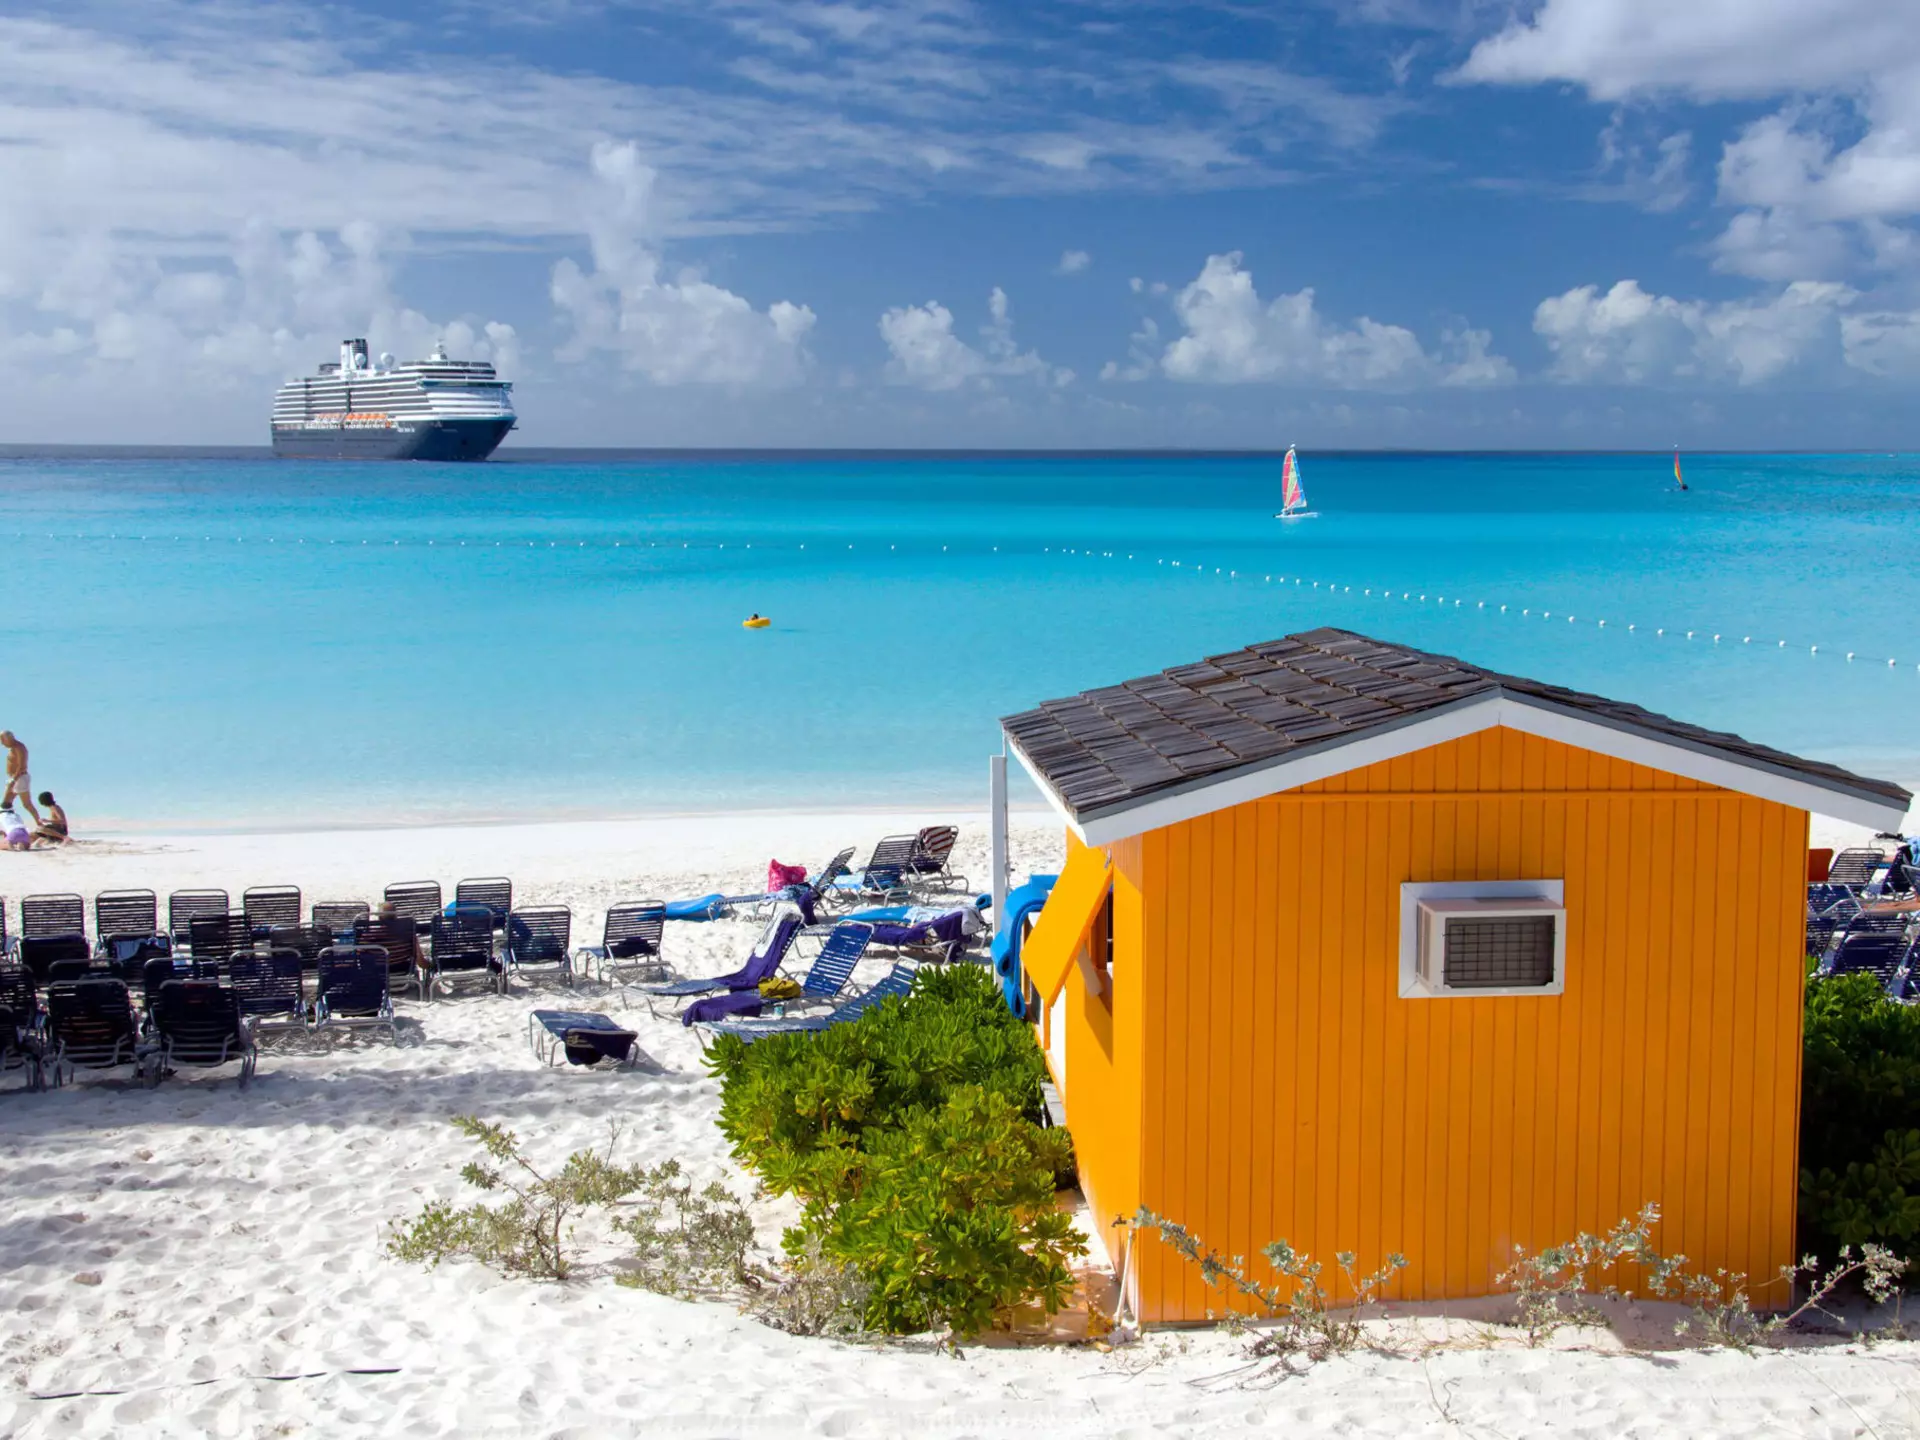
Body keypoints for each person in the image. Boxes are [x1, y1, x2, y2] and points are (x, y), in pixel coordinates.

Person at [0, 733, 39, 826]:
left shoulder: (19, 748)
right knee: (5, 804)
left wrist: (13, 780)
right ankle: (8, 825)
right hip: (14, 778)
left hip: (19, 778)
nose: (2, 744)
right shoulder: (13, 748)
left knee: (27, 804)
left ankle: (39, 823)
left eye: (3, 741)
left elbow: (22, 766)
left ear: (8, 739)